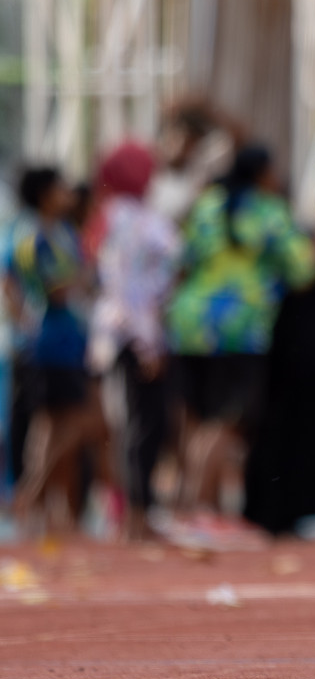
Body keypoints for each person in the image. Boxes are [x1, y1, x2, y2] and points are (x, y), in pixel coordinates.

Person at [165, 145, 315, 544]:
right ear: (263, 173)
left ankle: (200, 510)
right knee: (229, 418)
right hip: (240, 325)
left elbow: (181, 255)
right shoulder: (268, 210)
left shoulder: (208, 204)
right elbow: (303, 271)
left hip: (191, 320)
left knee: (199, 417)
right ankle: (197, 510)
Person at [88, 142, 181, 540]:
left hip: (113, 333)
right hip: (140, 333)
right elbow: (139, 288)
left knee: (127, 423)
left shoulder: (106, 218)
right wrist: (148, 344)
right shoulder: (140, 221)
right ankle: (138, 513)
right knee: (146, 425)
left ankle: (129, 512)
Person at [4, 167, 92, 535]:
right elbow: (54, 288)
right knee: (72, 420)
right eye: (61, 187)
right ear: (44, 193)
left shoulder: (59, 231)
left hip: (63, 339)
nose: (69, 192)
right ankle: (30, 492)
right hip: (51, 341)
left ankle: (52, 513)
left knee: (52, 423)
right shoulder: (35, 236)